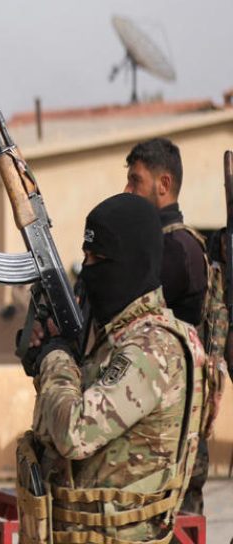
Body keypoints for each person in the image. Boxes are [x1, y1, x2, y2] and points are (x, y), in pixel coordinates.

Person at [22, 193, 208, 542]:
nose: (89, 269)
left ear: (132, 263)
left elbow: (74, 433)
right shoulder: (118, 338)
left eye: (99, 258)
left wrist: (55, 357)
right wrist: (49, 357)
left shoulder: (153, 349)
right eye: (86, 257)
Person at [123, 137, 225, 513]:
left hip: (173, 434)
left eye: (136, 180)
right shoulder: (158, 246)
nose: (127, 190)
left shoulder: (177, 250)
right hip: (156, 426)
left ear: (163, 185)